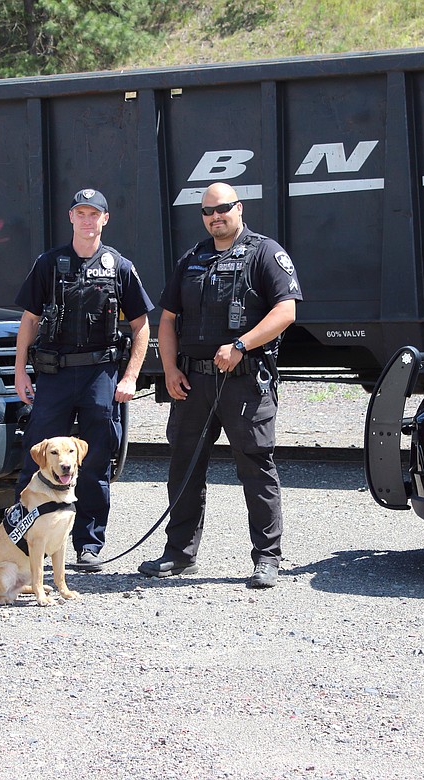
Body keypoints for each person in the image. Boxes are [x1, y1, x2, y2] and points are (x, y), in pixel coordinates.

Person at [139, 182, 302, 589]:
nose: (216, 216)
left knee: (255, 465)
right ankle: (179, 554)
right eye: (208, 211)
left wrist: (242, 345)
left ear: (239, 208)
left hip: (244, 382)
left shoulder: (265, 252)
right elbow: (169, 319)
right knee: (184, 466)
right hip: (192, 383)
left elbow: (286, 310)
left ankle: (267, 558)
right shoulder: (191, 259)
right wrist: (170, 369)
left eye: (223, 208)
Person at [12, 188, 154, 571]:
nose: (88, 221)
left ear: (105, 219)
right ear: (71, 217)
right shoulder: (49, 263)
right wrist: (20, 368)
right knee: (37, 460)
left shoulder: (119, 266)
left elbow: (141, 326)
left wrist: (130, 376)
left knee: (93, 465)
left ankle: (87, 545)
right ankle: (22, 543)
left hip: (99, 376)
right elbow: (30, 319)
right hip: (54, 374)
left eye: (95, 214)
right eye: (81, 214)